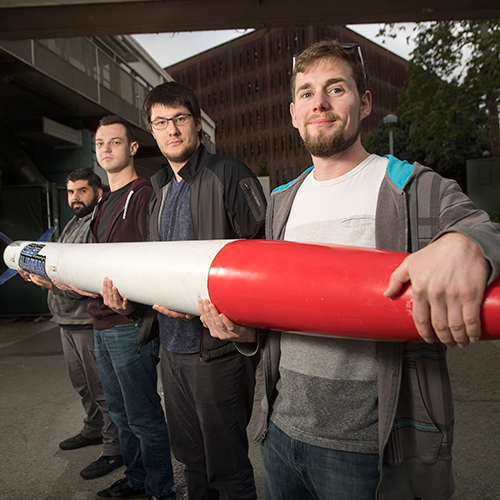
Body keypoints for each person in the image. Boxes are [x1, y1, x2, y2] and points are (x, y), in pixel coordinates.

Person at [198, 40, 500, 500]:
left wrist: (464, 242)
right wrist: (245, 334)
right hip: (281, 433)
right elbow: (285, 310)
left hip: (371, 449)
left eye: (335, 89)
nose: (319, 102)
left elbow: (485, 229)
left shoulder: (411, 186)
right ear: (294, 113)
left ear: (365, 104)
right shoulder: (281, 202)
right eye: (306, 93)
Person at [138, 81, 266, 500]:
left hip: (218, 351)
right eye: (161, 122)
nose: (171, 129)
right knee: (192, 462)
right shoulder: (157, 192)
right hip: (172, 353)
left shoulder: (228, 174)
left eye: (179, 119)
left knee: (226, 469)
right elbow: (158, 272)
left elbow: (261, 262)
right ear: (152, 131)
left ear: (196, 124)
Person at [74, 115, 175, 500]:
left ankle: (160, 490)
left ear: (132, 148)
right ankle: (136, 480)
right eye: (100, 144)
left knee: (143, 416)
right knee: (119, 413)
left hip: (128, 324)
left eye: (114, 142)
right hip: (100, 323)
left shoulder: (143, 193)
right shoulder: (102, 202)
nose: (106, 150)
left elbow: (143, 263)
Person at [18, 168, 123, 480]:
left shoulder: (95, 223)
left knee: (102, 389)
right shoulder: (72, 222)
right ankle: (93, 429)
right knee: (82, 385)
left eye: (81, 191)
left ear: (97, 192)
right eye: (70, 192)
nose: (75, 198)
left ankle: (113, 448)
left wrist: (52, 285)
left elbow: (86, 277)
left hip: (86, 321)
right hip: (64, 320)